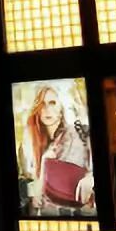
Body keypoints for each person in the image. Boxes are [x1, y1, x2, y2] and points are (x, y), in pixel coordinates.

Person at [20, 84, 94, 215]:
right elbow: (31, 187)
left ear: (61, 107)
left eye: (52, 103)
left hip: (79, 212)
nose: (47, 109)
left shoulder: (77, 134)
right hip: (47, 215)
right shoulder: (31, 143)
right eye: (42, 104)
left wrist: (91, 178)